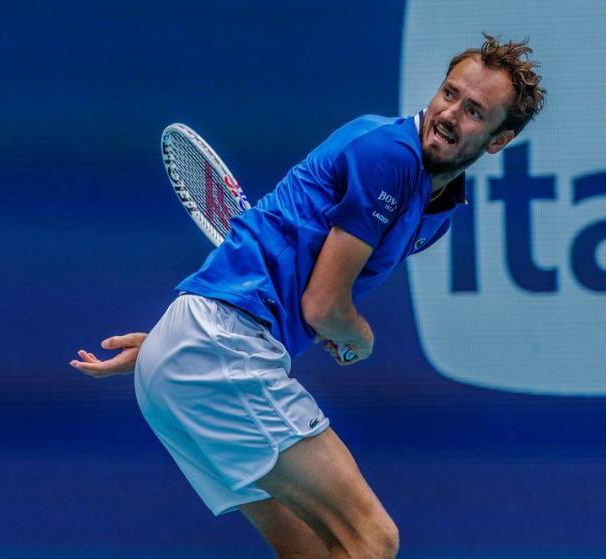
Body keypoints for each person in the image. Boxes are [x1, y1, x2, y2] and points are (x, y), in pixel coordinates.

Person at [70, 33, 545, 559]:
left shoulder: (436, 210)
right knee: (372, 539)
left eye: (475, 111)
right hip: (219, 345)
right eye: (449, 93)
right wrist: (356, 335)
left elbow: (290, 270)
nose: (451, 114)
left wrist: (170, 347)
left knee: (314, 551)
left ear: (499, 140)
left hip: (195, 349)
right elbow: (323, 306)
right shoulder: (390, 153)